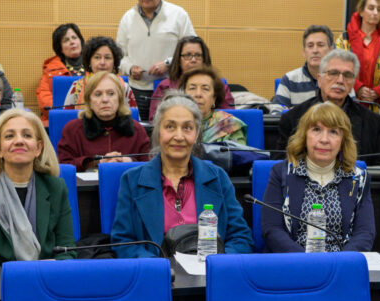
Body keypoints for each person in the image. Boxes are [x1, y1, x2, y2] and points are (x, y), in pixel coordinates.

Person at [111, 92, 253, 257]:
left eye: (187, 128)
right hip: (156, 270)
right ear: (158, 131)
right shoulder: (132, 180)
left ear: (196, 134)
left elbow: (241, 238)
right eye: (170, 127)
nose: (179, 136)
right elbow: (123, 241)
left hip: (209, 270)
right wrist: (160, 267)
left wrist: (215, 264)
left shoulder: (218, 178)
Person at [0, 109, 77, 267]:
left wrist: (46, 271)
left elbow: (68, 251)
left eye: (27, 135)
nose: (19, 141)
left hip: (47, 277)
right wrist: (13, 277)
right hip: (0, 279)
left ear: (38, 148)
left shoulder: (56, 188)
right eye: (9, 136)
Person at [262, 102, 374, 252]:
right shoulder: (282, 173)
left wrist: (340, 261)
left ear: (343, 141)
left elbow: (365, 233)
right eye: (316, 130)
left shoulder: (358, 178)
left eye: (333, 132)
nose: (324, 139)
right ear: (304, 136)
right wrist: (308, 262)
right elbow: (272, 229)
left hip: (341, 262)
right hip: (294, 261)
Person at [277, 49, 380, 164]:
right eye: (333, 73)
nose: (340, 80)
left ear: (353, 83)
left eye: (347, 75)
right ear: (319, 79)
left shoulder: (373, 122)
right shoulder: (292, 118)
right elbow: (281, 164)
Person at [116, 0, 196, 120]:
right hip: (136, 91)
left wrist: (169, 63)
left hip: (171, 90)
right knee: (139, 132)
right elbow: (119, 56)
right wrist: (130, 68)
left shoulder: (179, 15)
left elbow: (193, 53)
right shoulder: (127, 18)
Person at [58, 71, 150, 171]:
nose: (105, 99)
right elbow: (63, 168)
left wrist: (130, 161)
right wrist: (96, 163)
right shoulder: (72, 130)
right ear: (89, 101)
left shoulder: (137, 130)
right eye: (98, 94)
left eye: (111, 94)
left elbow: (150, 167)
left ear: (119, 99)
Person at [337, 0, 380, 113]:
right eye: (371, 8)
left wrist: (379, 91)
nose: (375, 12)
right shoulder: (344, 39)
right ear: (361, 11)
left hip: (377, 106)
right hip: (348, 102)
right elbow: (335, 68)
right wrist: (357, 87)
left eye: (379, 9)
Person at [148, 36, 234, 118]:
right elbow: (155, 119)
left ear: (204, 59)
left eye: (198, 55)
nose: (193, 60)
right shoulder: (165, 86)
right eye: (188, 55)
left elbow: (229, 116)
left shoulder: (219, 85)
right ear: (178, 60)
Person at [63, 36, 137, 111]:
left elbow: (133, 116)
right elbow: (67, 116)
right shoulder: (76, 87)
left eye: (107, 58)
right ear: (89, 62)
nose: (102, 62)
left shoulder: (124, 88)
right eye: (97, 57)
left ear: (114, 63)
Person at [181, 66, 247, 146]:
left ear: (214, 98)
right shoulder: (173, 122)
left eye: (205, 89)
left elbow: (238, 153)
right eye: (192, 88)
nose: (198, 94)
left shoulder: (229, 125)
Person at [272, 25, 334, 107]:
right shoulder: (289, 80)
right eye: (310, 46)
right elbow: (276, 112)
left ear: (331, 50)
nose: (315, 50)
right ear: (304, 52)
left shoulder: (341, 79)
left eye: (320, 45)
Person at [37, 22, 85, 117]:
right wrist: (64, 111)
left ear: (80, 41)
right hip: (61, 115)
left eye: (74, 38)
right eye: (66, 40)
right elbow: (44, 96)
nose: (72, 42)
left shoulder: (94, 64)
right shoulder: (51, 69)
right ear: (60, 48)